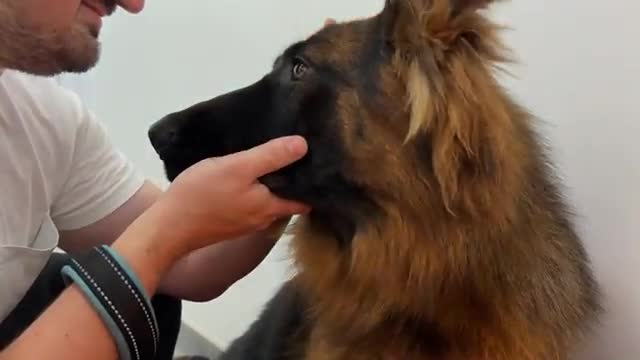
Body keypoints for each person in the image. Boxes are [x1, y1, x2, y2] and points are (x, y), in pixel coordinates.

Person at [0, 1, 315, 359]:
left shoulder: (46, 121)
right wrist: (163, 234)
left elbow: (190, 262)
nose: (133, 4)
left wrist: (287, 171)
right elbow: (164, 237)